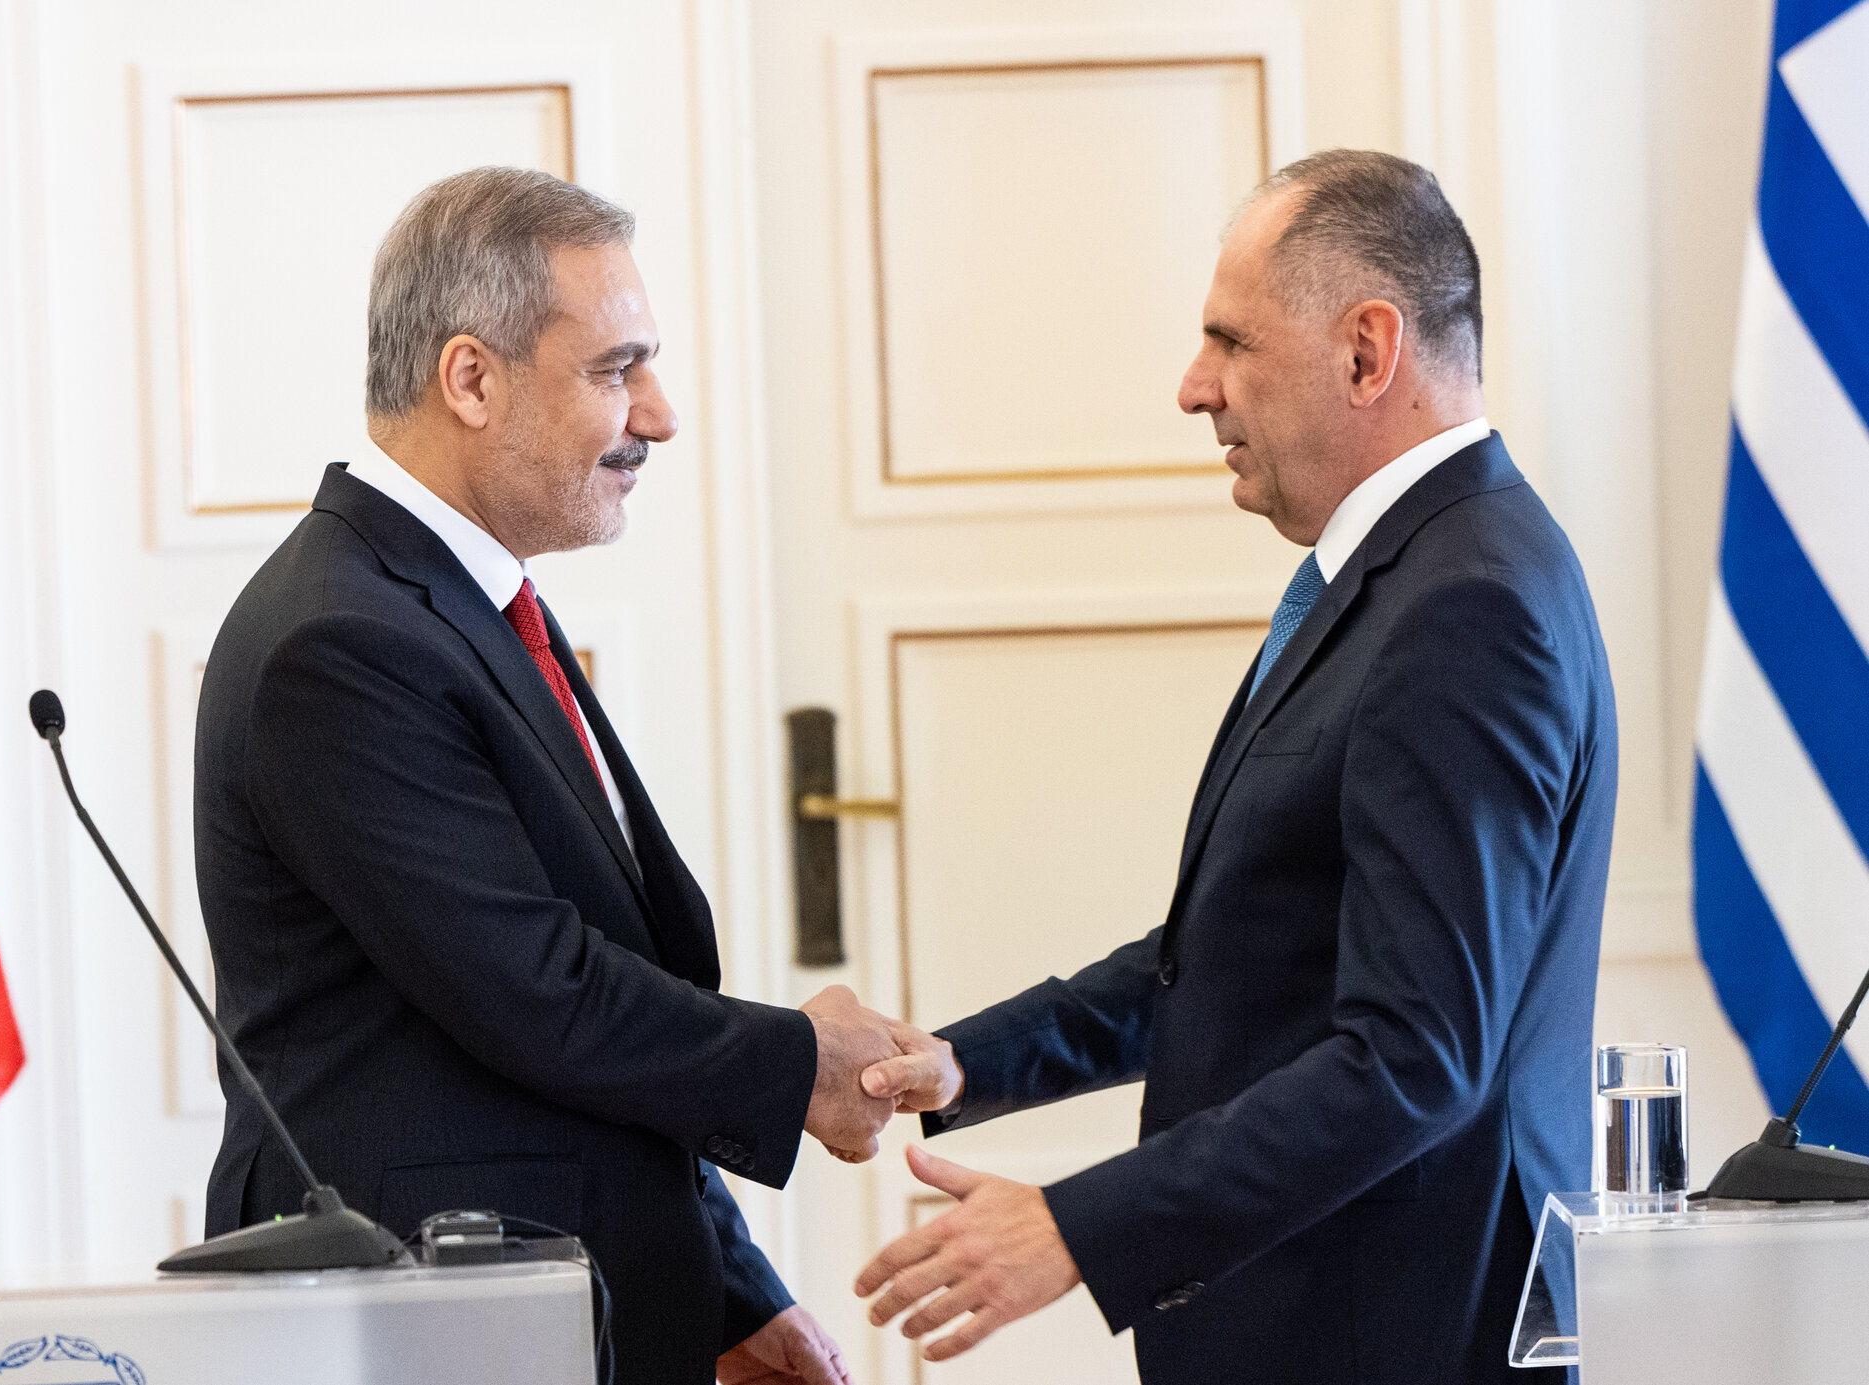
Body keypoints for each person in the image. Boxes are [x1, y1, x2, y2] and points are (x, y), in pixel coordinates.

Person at [853, 149, 1617, 1385]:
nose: (1190, 387)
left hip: (1392, 1339)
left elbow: (1412, 1059)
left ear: (1367, 352)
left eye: (1229, 342)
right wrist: (958, 1063)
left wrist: (1074, 1228)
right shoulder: (1419, 572)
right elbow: (1246, 962)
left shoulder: (1463, 603)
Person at [194, 167, 900, 1385]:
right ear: (469, 378)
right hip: (425, 1314)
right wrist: (798, 1066)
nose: (661, 414)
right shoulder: (341, 640)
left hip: (538, 1294)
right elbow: (537, 989)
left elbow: (603, 980)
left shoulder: (464, 603)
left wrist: (730, 1288)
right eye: (614, 368)